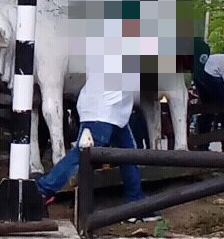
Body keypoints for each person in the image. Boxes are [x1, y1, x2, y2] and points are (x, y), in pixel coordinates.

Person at [35, 42, 150, 221]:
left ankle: (135, 202)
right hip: (104, 110)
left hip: (109, 109)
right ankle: (42, 189)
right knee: (80, 156)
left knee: (129, 156)